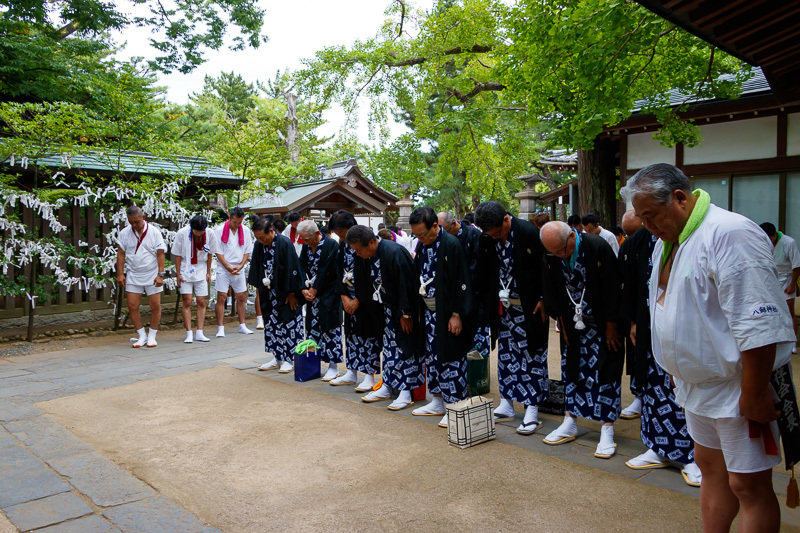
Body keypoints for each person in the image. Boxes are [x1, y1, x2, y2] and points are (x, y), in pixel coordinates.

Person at [622, 163, 794, 532]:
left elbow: (757, 322)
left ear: (680, 198)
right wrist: (675, 365)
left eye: (651, 216)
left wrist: (753, 392)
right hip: (696, 386)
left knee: (747, 483)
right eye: (642, 218)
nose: (647, 226)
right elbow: (672, 310)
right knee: (710, 468)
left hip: (737, 383)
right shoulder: (666, 241)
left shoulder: (729, 233)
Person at [619, 209, 701, 486]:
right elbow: (635, 285)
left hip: (687, 333)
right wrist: (633, 320)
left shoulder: (697, 238)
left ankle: (693, 456)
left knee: (683, 392)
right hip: (651, 325)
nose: (650, 225)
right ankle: (657, 447)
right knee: (653, 388)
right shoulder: (643, 241)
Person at [540, 221, 624, 458]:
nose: (557, 256)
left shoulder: (596, 246)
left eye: (561, 251)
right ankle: (570, 420)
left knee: (605, 372)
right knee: (572, 369)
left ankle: (607, 427)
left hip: (601, 322)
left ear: (571, 237)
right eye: (552, 252)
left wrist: (611, 325)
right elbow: (550, 288)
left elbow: (613, 287)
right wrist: (562, 322)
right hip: (572, 321)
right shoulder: (551, 253)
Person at [474, 201, 550, 435]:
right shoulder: (488, 239)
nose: (495, 237)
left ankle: (532, 408)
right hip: (503, 308)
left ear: (506, 219)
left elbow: (547, 268)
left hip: (530, 307)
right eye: (491, 234)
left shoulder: (530, 233)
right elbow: (484, 272)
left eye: (498, 232)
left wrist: (544, 298)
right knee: (506, 355)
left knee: (532, 356)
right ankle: (507, 402)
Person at [346, 225, 425, 411]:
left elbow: (407, 284)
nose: (357, 254)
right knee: (389, 349)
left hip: (403, 310)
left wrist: (406, 313)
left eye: (359, 250)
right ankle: (387, 386)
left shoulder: (394, 252)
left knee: (405, 349)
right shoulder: (370, 256)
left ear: (371, 242)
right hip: (386, 309)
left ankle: (405, 392)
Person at [409, 207, 475, 428]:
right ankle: (437, 400)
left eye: (423, 234)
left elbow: (461, 281)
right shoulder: (422, 246)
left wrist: (457, 314)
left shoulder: (451, 244)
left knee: (451, 359)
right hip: (429, 313)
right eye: (416, 235)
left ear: (436, 226)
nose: (420, 238)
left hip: (448, 312)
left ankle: (455, 404)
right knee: (433, 358)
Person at [327, 210, 383, 390]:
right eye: (338, 234)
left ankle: (369, 375)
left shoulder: (366, 241)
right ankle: (351, 371)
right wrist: (344, 297)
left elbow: (371, 274)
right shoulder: (342, 246)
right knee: (351, 335)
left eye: (342, 233)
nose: (341, 237)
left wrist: (358, 299)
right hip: (348, 296)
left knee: (368, 336)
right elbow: (337, 271)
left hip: (366, 298)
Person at [250, 219, 304, 373]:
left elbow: (294, 268)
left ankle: (290, 358)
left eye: (263, 237)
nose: (261, 240)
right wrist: (260, 287)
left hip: (286, 292)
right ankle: (277, 357)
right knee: (271, 324)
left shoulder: (284, 243)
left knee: (288, 323)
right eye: (258, 238)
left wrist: (293, 292)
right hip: (269, 291)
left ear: (271, 231)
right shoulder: (258, 245)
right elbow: (256, 267)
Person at [438, 211, 491, 358]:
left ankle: (479, 374)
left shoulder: (474, 235)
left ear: (454, 223)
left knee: (478, 336)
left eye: (445, 231)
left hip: (475, 295)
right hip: (454, 296)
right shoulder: (442, 241)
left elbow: (478, 268)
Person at [297, 220, 344, 382]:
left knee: (331, 329)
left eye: (307, 239)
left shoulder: (331, 245)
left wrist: (315, 289)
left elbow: (329, 270)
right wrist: (303, 288)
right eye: (303, 239)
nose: (305, 242)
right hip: (311, 294)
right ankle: (312, 364)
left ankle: (333, 366)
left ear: (316, 234)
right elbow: (301, 266)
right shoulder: (306, 246)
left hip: (328, 294)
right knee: (312, 329)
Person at [116, 206, 167, 348]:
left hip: (152, 272)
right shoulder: (125, 233)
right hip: (133, 272)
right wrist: (120, 273)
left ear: (143, 218)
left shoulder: (154, 232)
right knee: (132, 305)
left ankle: (152, 335)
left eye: (137, 222)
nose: (134, 225)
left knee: (155, 305)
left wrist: (160, 275)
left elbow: (160, 253)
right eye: (131, 222)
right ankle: (141, 335)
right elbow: (121, 253)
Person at [172, 214, 219, 343]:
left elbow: (210, 253)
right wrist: (178, 273)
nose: (199, 233)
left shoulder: (209, 233)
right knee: (187, 300)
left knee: (201, 301)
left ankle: (200, 331)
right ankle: (188, 332)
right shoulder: (182, 233)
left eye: (201, 231)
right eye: (196, 231)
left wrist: (208, 272)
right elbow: (177, 254)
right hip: (186, 266)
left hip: (201, 268)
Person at [619, 209, 645, 420]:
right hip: (633, 309)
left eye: (635, 232)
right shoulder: (626, 246)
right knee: (635, 354)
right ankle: (638, 395)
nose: (631, 238)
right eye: (627, 234)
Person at [213, 207, 254, 337]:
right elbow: (217, 251)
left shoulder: (246, 231)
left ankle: (242, 324)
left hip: (239, 267)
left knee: (241, 297)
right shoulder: (219, 230)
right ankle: (220, 327)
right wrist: (227, 266)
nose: (237, 225)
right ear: (230, 218)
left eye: (239, 222)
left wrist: (241, 265)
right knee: (221, 297)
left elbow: (247, 250)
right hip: (223, 267)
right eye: (235, 222)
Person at [760, 222, 800, 353]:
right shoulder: (762, 241)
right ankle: (776, 340)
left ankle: (793, 344)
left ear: (774, 235)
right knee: (772, 311)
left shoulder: (789, 243)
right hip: (771, 278)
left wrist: (792, 284)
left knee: (789, 311)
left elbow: (797, 266)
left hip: (787, 279)